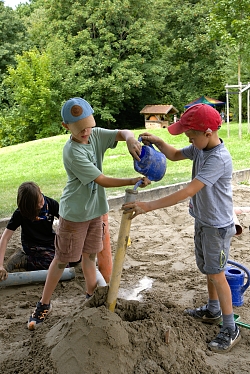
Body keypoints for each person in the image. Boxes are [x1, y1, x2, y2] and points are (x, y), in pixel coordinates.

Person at [122, 103, 241, 353]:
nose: (189, 140)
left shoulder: (218, 158)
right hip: (203, 219)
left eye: (191, 136)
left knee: (217, 274)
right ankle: (212, 308)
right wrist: (158, 141)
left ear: (208, 133)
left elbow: (188, 191)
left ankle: (230, 327)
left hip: (217, 227)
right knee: (209, 269)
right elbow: (175, 154)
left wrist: (149, 205)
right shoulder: (201, 147)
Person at [27, 97, 150, 330]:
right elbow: (101, 179)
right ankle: (44, 304)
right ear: (67, 128)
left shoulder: (93, 134)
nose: (86, 133)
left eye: (89, 126)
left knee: (90, 257)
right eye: (80, 129)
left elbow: (121, 132)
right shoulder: (72, 152)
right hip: (75, 214)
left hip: (96, 211)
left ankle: (90, 296)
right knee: (63, 259)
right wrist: (132, 180)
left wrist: (130, 138)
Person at [0, 181, 60, 281]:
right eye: (37, 205)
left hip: (50, 241)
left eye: (40, 200)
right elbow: (5, 238)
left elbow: (66, 224)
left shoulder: (51, 204)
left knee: (75, 258)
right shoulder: (20, 213)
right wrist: (0, 265)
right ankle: (24, 259)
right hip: (32, 245)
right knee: (57, 265)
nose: (41, 205)